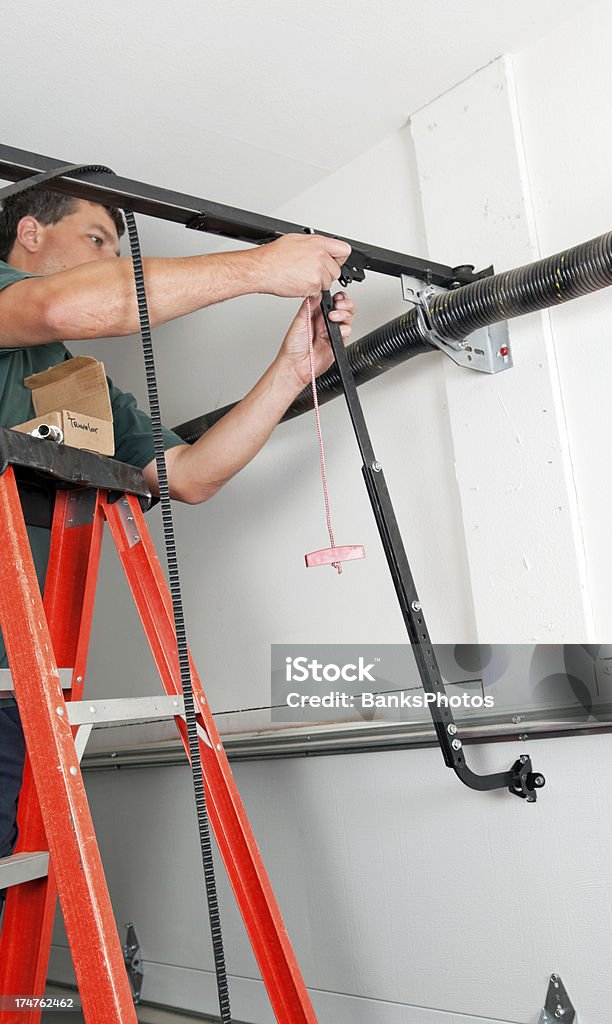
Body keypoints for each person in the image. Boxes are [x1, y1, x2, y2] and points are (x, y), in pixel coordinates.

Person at [0, 188, 355, 913]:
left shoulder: (80, 390)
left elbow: (191, 475)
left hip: (18, 672)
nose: (112, 259)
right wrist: (262, 267)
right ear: (30, 234)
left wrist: (292, 370)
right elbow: (65, 306)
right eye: (98, 239)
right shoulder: (18, 304)